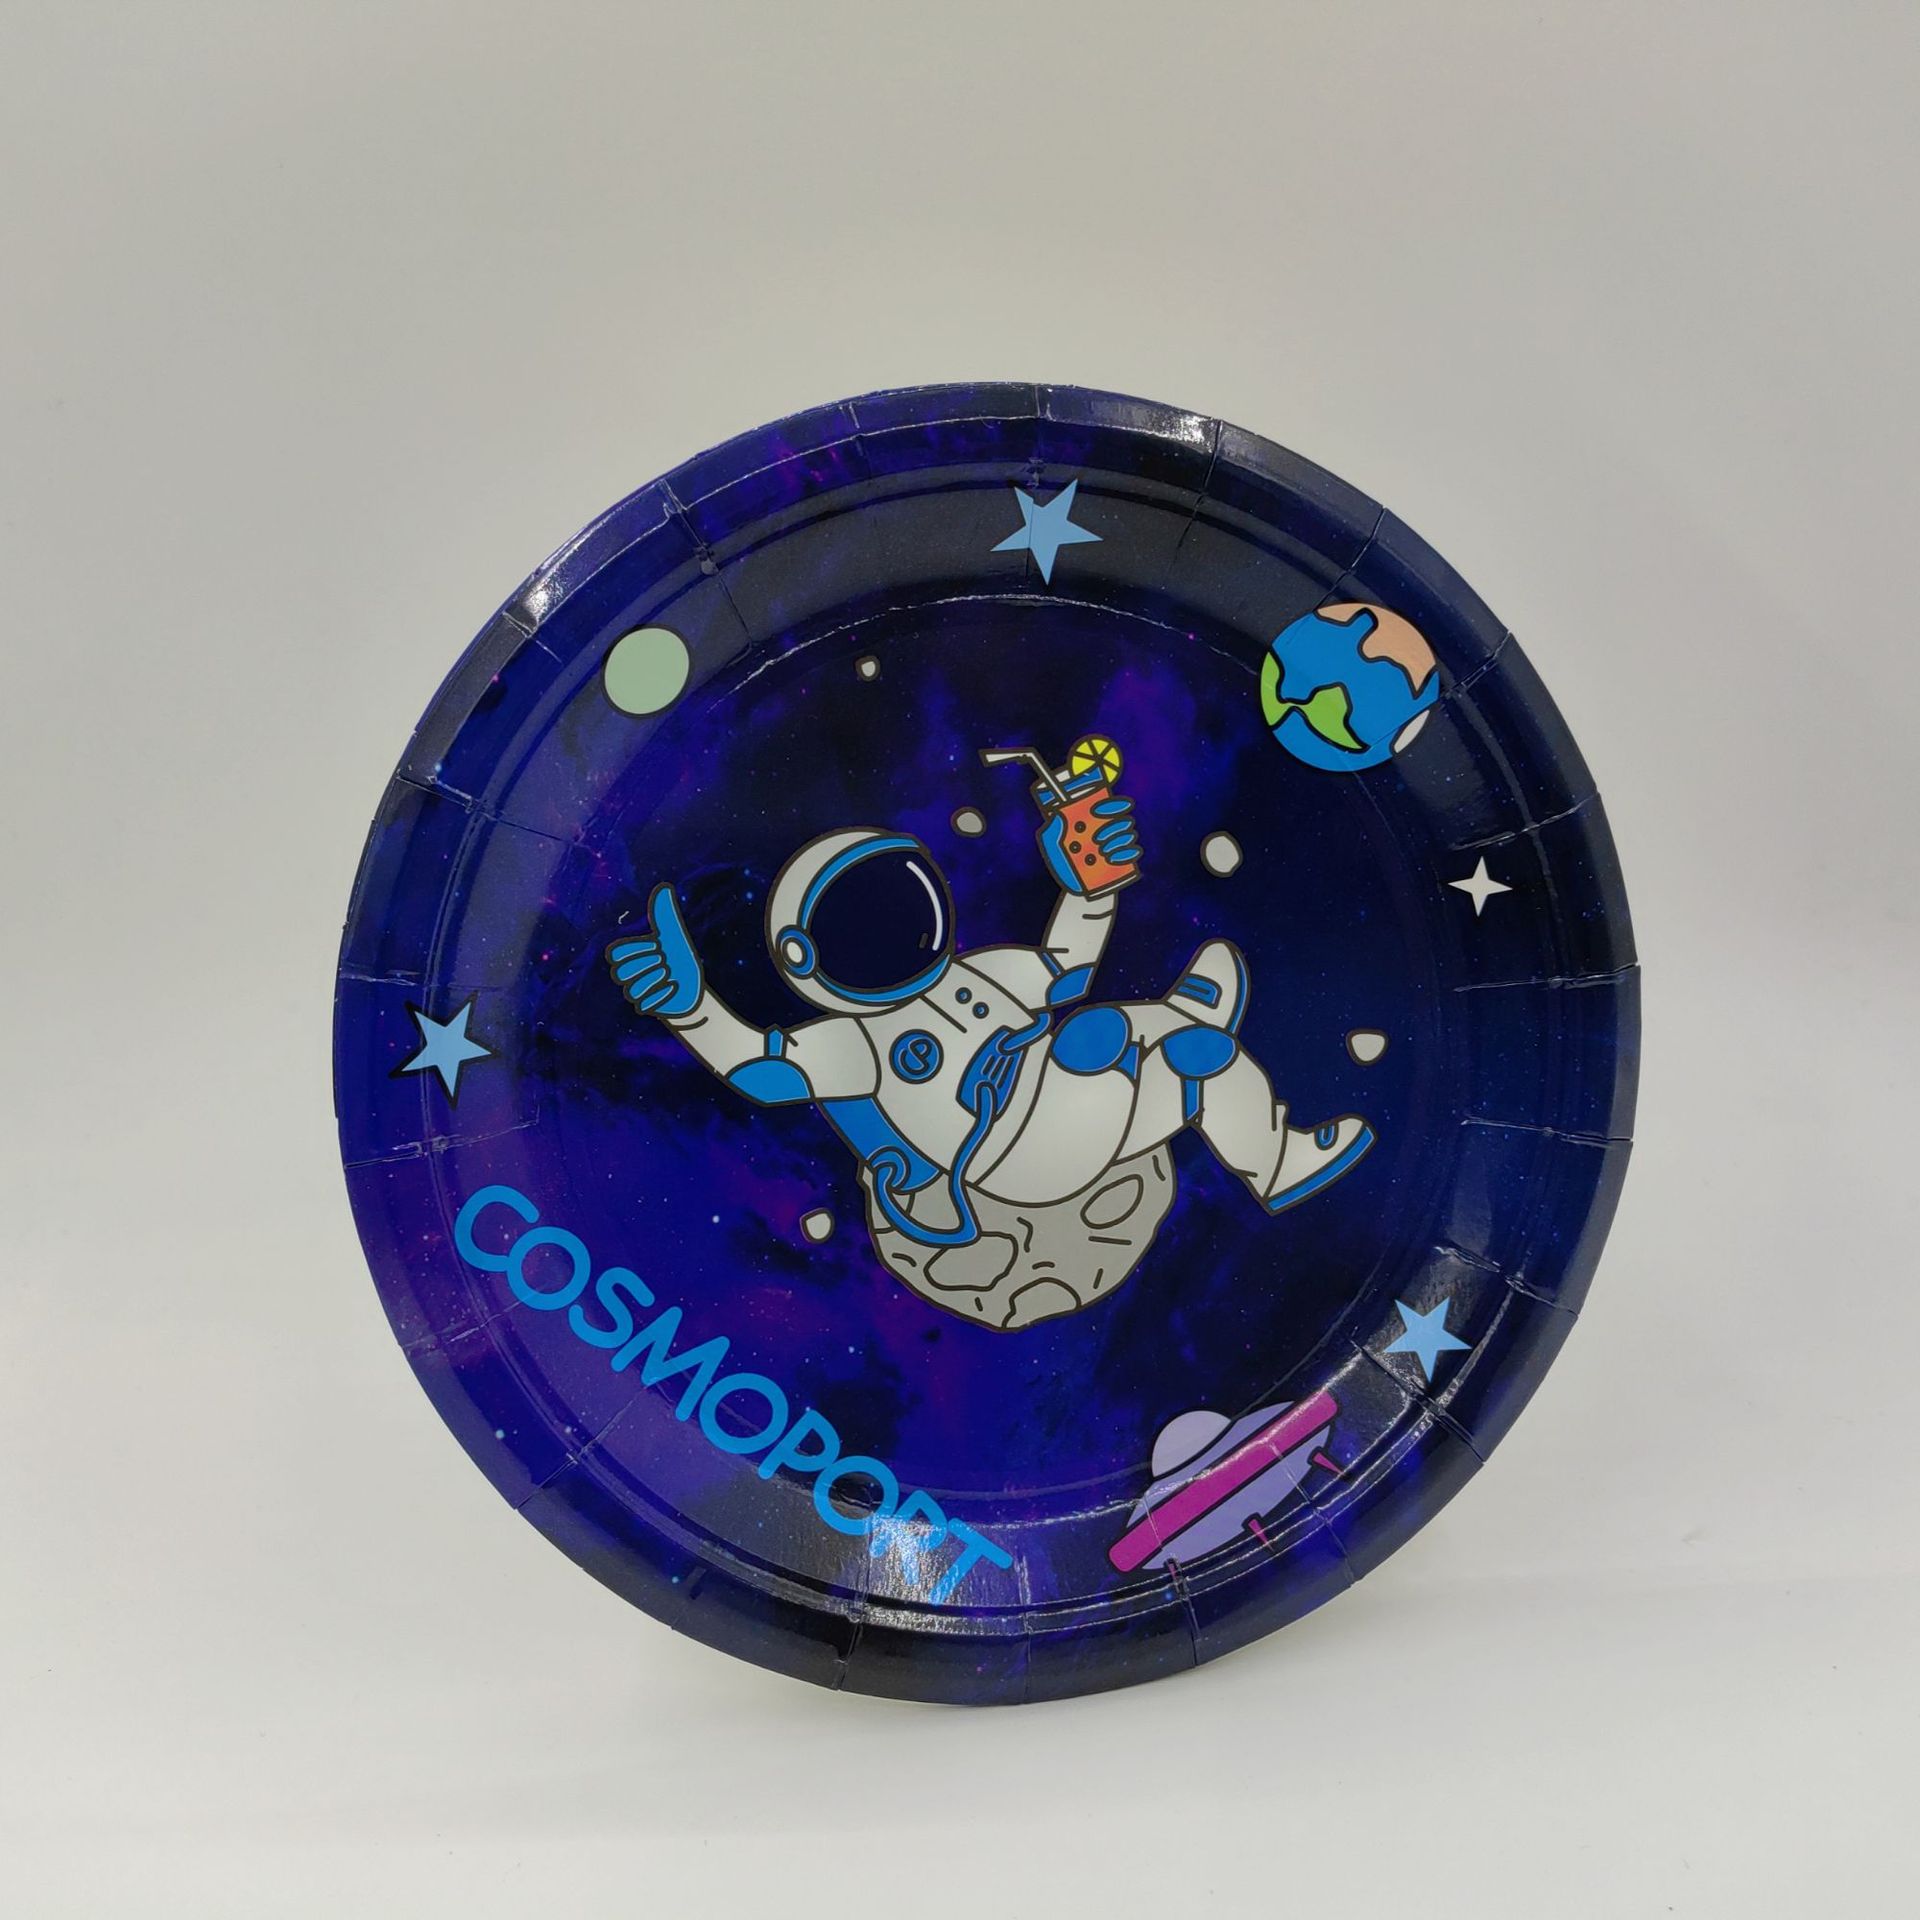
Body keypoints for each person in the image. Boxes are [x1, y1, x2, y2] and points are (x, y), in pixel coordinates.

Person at [607, 793, 1372, 1253]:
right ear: (806, 957)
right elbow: (763, 1071)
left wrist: (1088, 891)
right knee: (1096, 1043)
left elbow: (1065, 967)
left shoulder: (977, 974)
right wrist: (694, 1010)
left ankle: (1270, 1153)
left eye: (899, 899)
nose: (891, 930)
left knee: (1203, 1057)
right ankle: (1148, 1036)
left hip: (1084, 1121)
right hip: (1012, 1155)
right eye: (857, 920)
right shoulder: (855, 1042)